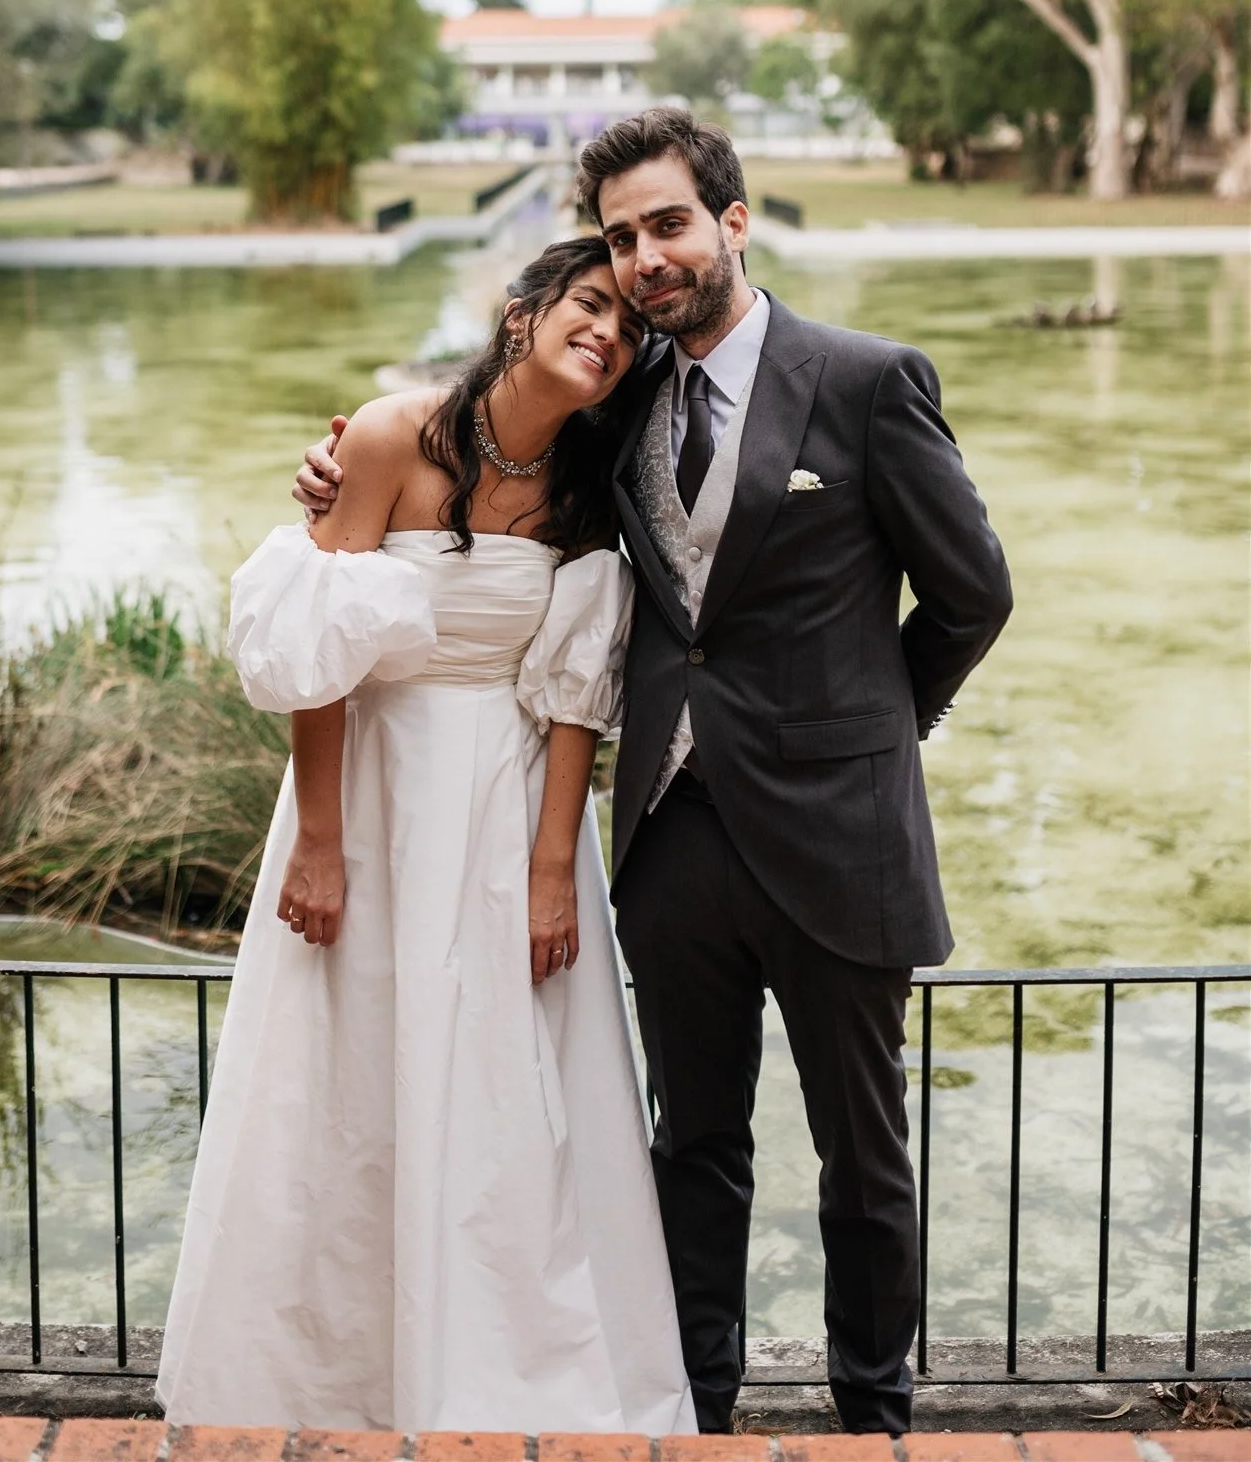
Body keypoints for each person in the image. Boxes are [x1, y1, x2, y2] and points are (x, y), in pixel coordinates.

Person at [296, 110, 1012, 1436]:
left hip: (839, 834)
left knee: (861, 1154)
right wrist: (342, 466)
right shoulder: (619, 402)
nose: (642, 258)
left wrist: (873, 729)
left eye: (666, 223)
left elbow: (974, 595)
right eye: (622, 236)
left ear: (733, 222)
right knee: (693, 1146)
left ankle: (873, 1411)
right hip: (672, 842)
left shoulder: (862, 380)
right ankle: (703, 1410)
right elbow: (490, 440)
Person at [159, 235, 695, 1435]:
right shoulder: (394, 435)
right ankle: (331, 1379)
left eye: (624, 327)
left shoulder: (591, 479)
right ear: (524, 313)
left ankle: (506, 1370)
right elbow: (320, 653)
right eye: (588, 302)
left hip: (508, 807)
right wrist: (317, 839)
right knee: (344, 1077)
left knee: (513, 1090)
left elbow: (572, 697)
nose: (606, 330)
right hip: (372, 795)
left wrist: (553, 872)